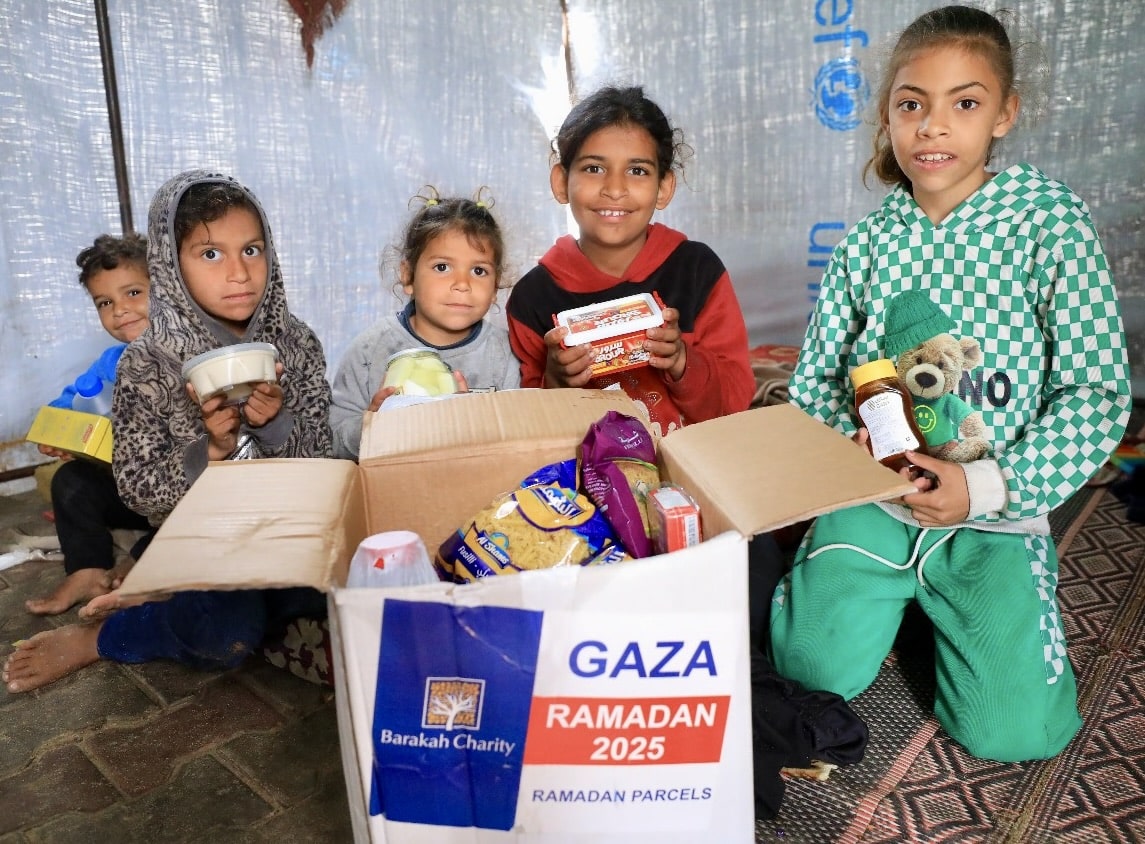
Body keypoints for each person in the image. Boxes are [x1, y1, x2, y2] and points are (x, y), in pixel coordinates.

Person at [771, 5, 1131, 763]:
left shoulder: (1047, 223)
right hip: (875, 497)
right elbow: (811, 387)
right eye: (911, 105)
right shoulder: (867, 245)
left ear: (1004, 114)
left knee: (1016, 734)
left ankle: (950, 601)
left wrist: (987, 488)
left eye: (963, 104)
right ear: (888, 116)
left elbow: (1096, 394)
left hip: (994, 512)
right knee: (809, 668)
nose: (932, 128)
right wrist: (847, 444)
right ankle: (886, 592)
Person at [4, 169, 333, 693]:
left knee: (335, 587)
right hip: (198, 535)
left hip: (283, 529)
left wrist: (275, 426)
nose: (239, 273)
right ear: (169, 266)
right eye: (210, 254)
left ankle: (166, 593)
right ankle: (106, 635)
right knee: (228, 633)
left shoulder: (295, 343)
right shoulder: (147, 363)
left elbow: (324, 456)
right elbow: (137, 488)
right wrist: (214, 450)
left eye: (251, 250)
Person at [506, 85, 755, 436]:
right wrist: (556, 381)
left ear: (664, 187)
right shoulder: (532, 298)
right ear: (562, 182)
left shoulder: (697, 270)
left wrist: (683, 361)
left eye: (637, 171)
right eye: (594, 168)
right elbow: (528, 429)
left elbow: (736, 402)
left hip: (695, 474)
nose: (615, 188)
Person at [330, 188, 520, 460]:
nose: (462, 284)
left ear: (496, 286)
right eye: (442, 267)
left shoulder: (503, 355)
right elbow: (332, 442)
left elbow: (518, 441)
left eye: (479, 271)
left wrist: (473, 425)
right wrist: (372, 426)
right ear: (408, 276)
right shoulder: (370, 352)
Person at [27, 234, 155, 616]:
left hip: (178, 494)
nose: (120, 310)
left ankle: (143, 563)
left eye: (133, 293)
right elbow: (69, 401)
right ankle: (86, 569)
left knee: (203, 510)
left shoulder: (188, 355)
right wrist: (58, 431)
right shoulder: (111, 362)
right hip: (131, 491)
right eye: (105, 302)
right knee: (70, 481)